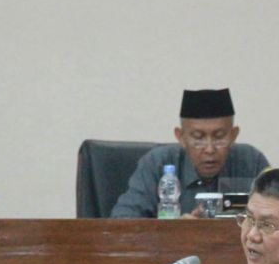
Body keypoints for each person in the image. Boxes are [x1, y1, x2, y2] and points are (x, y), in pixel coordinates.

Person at [110, 88, 270, 218]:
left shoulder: (252, 162)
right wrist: (176, 231)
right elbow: (122, 221)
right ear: (181, 137)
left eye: (219, 137)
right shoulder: (157, 163)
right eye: (198, 138)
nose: (209, 149)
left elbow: (277, 217)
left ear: (233, 135)